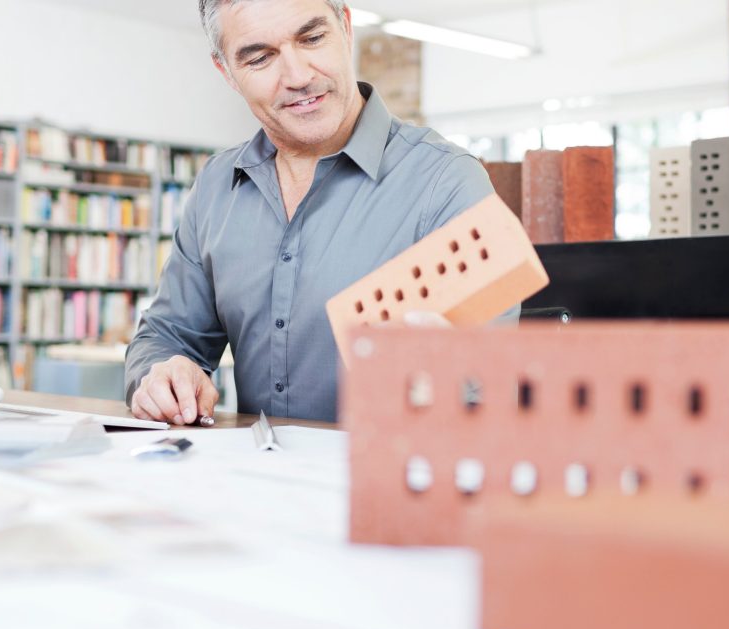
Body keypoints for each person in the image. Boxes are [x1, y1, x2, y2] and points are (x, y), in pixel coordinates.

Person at [126, 0, 504, 425]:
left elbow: (488, 387)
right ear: (226, 72)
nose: (299, 77)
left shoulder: (450, 182)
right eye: (261, 57)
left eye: (312, 38)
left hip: (391, 482)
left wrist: (447, 376)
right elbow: (165, 336)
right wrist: (162, 376)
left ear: (345, 26)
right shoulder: (216, 186)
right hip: (252, 481)